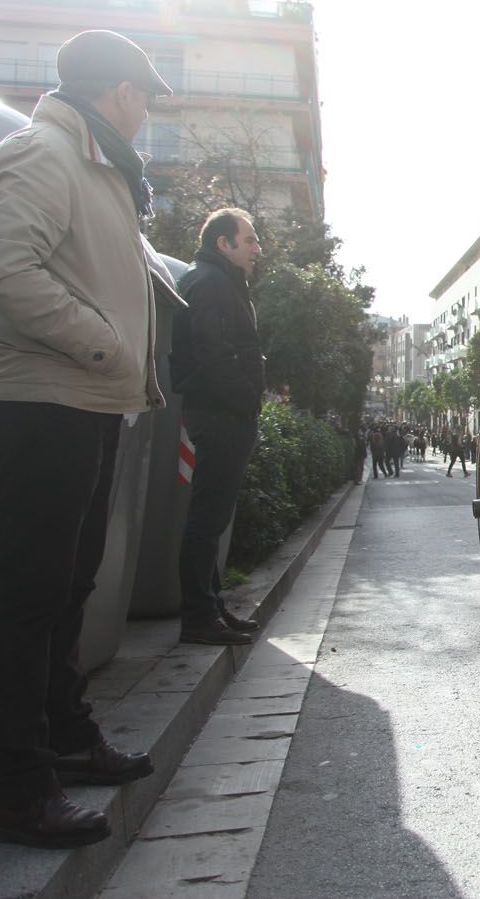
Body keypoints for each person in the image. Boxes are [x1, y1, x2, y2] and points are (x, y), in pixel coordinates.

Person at [0, 29, 171, 848]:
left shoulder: (100, 169)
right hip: (43, 400)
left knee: (68, 587)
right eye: (145, 97)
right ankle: (13, 786)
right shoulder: (44, 153)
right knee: (31, 595)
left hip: (86, 402)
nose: (148, 113)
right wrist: (103, 342)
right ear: (120, 92)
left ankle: (68, 737)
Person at [170, 208, 266, 647]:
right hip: (220, 412)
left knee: (213, 518)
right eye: (248, 239)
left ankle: (211, 605)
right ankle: (198, 617)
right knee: (207, 520)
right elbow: (212, 353)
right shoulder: (209, 282)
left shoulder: (219, 281)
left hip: (225, 411)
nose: (256, 247)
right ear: (223, 244)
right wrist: (246, 396)